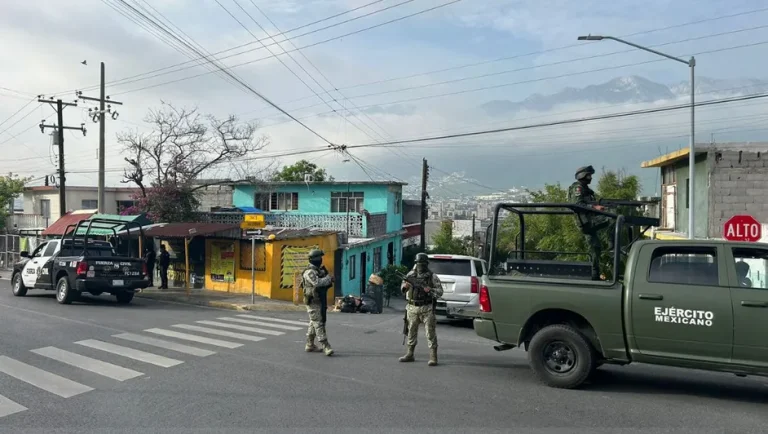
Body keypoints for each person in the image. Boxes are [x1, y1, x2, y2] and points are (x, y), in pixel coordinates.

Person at [567, 165, 614, 280]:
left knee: (595, 248)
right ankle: (612, 246)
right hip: (586, 223)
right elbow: (577, 205)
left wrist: (599, 207)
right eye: (589, 175)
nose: (591, 178)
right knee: (612, 219)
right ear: (583, 176)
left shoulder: (586, 189)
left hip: (590, 221)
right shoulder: (577, 188)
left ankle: (594, 274)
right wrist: (594, 207)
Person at [399, 253, 443, 366]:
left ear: (426, 264)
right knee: (411, 332)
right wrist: (405, 287)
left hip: (427, 308)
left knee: (430, 333)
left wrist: (430, 290)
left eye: (422, 264)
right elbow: (403, 288)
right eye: (418, 264)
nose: (420, 266)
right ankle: (410, 354)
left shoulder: (432, 277)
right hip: (412, 307)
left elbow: (439, 292)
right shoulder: (410, 275)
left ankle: (433, 357)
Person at [302, 248, 335, 356]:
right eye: (319, 258)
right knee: (319, 323)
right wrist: (328, 279)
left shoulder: (318, 270)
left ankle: (310, 344)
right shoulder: (309, 272)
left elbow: (323, 279)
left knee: (314, 322)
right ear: (313, 259)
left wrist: (329, 278)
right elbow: (317, 282)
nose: (320, 260)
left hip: (319, 300)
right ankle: (326, 346)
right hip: (312, 301)